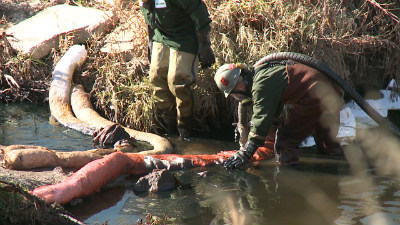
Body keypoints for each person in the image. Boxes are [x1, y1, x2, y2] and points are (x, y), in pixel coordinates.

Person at [214, 58, 344, 168]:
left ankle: (287, 181)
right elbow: (273, 110)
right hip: (329, 92)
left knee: (286, 141)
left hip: (316, 98)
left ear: (239, 86)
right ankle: (337, 171)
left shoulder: (260, 85)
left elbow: (262, 118)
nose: (237, 98)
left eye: (234, 94)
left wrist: (246, 153)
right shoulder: (262, 73)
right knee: (328, 143)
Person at [139, 0, 215, 140]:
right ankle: (170, 128)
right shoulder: (144, 2)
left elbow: (200, 11)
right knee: (156, 77)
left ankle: (185, 129)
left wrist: (205, 45)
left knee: (177, 80)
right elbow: (150, 20)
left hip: (185, 38)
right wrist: (150, 43)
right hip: (161, 37)